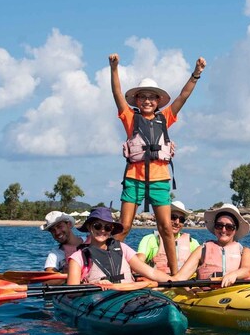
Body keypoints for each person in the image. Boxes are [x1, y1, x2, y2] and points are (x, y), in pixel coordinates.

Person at [108, 52, 205, 276]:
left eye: (152, 97)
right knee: (123, 228)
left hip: (160, 180)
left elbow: (183, 96)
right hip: (134, 179)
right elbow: (116, 93)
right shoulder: (130, 118)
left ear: (158, 101)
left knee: (166, 229)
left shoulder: (165, 118)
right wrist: (114, 68)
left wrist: (196, 74)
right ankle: (105, 263)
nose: (148, 101)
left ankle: (175, 274)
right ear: (137, 100)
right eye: (143, 97)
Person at [66, 207, 178, 286]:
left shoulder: (122, 248)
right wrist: (94, 285)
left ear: (112, 230)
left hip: (127, 297)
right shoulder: (78, 257)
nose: (102, 230)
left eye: (107, 227)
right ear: (90, 227)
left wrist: (174, 281)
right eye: (97, 226)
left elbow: (151, 272)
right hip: (98, 301)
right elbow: (72, 292)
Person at [173, 203, 250, 287]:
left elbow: (246, 269)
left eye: (229, 227)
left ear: (235, 229)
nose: (223, 230)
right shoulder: (201, 250)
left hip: (233, 294)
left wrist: (234, 274)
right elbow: (181, 277)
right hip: (206, 295)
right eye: (219, 226)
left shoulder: (245, 252)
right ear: (214, 227)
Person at [136, 200, 200, 275]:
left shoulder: (193, 243)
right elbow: (138, 262)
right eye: (173, 217)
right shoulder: (150, 239)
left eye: (181, 220)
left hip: (186, 284)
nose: (177, 222)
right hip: (158, 284)